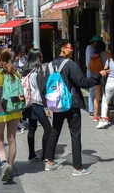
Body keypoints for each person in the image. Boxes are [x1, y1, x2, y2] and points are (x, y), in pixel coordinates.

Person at [45, 40, 107, 176]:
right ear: (63, 49)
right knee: (75, 134)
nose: (72, 50)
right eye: (70, 47)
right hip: (72, 104)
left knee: (55, 130)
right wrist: (99, 75)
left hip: (57, 104)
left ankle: (49, 162)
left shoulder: (49, 66)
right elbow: (83, 82)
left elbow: (46, 86)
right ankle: (77, 168)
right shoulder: (70, 65)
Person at [0, 49, 22, 182]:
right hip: (15, 110)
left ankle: (4, 163)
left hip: (0, 110)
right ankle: (11, 166)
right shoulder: (16, 72)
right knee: (12, 139)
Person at [22, 48, 52, 162]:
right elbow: (42, 89)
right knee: (48, 129)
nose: (42, 59)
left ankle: (31, 154)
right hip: (37, 103)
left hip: (28, 102)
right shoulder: (38, 70)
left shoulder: (26, 69)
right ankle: (45, 155)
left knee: (32, 128)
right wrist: (46, 107)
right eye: (41, 57)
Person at [86, 35, 106, 123]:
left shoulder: (94, 49)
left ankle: (94, 112)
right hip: (94, 72)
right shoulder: (90, 48)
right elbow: (89, 62)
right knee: (93, 92)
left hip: (94, 71)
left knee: (96, 93)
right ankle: (92, 110)